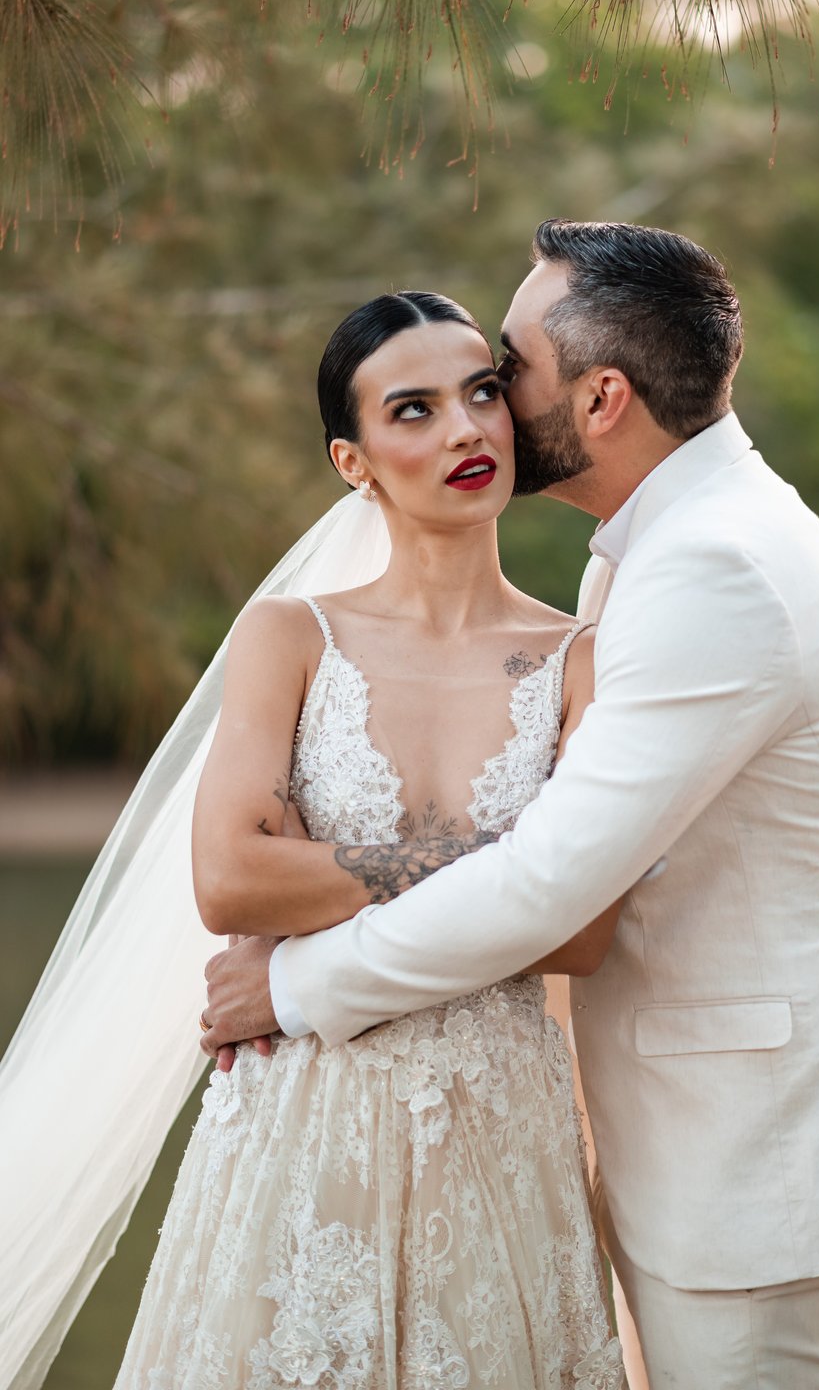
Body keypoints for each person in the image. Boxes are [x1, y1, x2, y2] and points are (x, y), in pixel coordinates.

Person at [204, 219, 819, 1390]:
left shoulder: (713, 565)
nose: (488, 408)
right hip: (682, 1160)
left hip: (755, 1176)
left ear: (600, 399)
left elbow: (552, 884)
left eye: (506, 371)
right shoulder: (652, 549)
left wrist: (293, 985)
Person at [113, 291, 627, 1388]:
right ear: (353, 461)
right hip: (305, 1123)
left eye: (481, 392)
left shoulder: (581, 658)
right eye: (414, 409)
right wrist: (513, 871)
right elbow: (227, 878)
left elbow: (582, 931)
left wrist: (312, 880)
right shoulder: (288, 639)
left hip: (500, 1135)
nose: (466, 430)